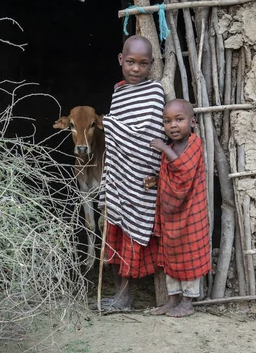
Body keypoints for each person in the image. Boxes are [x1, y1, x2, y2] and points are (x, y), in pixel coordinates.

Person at [96, 35, 166, 312]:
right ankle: (119, 296)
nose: (136, 69)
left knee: (129, 239)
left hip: (140, 180)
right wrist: (114, 127)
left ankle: (127, 297)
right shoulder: (119, 92)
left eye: (143, 64)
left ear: (151, 65)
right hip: (117, 177)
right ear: (120, 60)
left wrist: (109, 124)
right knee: (113, 237)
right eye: (131, 62)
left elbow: (148, 135)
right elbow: (119, 139)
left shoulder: (155, 93)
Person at [147, 99, 211, 317]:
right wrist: (156, 180)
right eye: (167, 121)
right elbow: (171, 177)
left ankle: (187, 302)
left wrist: (164, 148)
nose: (173, 125)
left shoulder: (194, 143)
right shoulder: (173, 147)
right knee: (170, 255)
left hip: (191, 213)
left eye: (179, 119)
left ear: (192, 122)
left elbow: (184, 172)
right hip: (171, 214)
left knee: (191, 254)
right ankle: (172, 300)